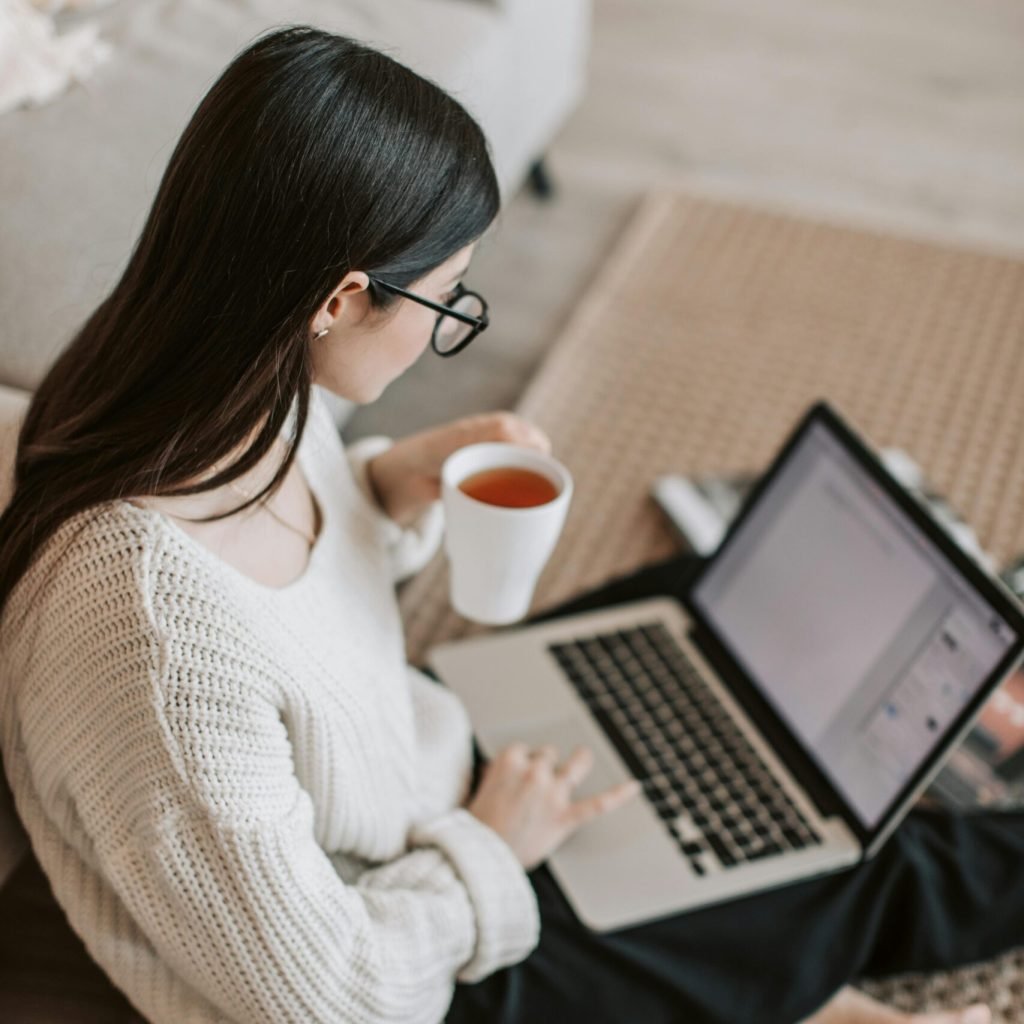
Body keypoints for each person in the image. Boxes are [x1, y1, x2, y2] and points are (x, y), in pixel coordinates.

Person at [0, 25, 1016, 1024]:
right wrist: (491, 846)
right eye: (445, 302)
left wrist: (386, 489)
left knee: (686, 620)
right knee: (854, 863)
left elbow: (277, 583)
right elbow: (336, 998)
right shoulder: (157, 654)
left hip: (411, 769)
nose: (446, 329)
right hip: (422, 947)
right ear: (344, 299)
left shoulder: (209, 377)